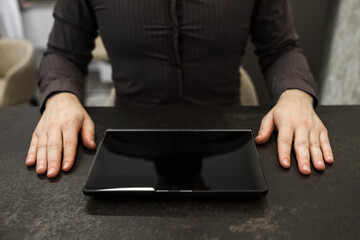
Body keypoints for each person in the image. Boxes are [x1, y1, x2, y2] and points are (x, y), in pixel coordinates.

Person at [25, 0, 334, 178]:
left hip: (227, 146)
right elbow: (63, 53)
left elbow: (281, 48)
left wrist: (295, 93)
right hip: (130, 145)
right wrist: (61, 97)